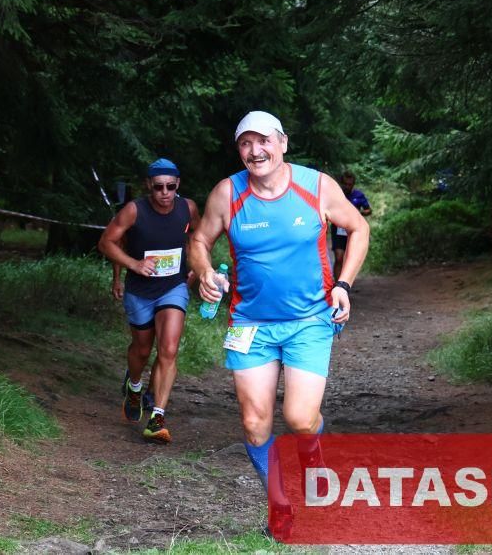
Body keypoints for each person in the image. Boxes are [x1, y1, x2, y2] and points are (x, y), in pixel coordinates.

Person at [189, 111, 369, 535]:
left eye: (264, 141)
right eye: (246, 143)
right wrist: (205, 272)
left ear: (283, 143)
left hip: (310, 319)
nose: (255, 151)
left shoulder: (316, 186)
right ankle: (280, 506)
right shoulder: (227, 193)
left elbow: (358, 228)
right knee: (255, 424)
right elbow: (199, 240)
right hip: (249, 323)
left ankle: (312, 451)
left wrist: (344, 285)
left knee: (301, 418)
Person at [98, 158, 201, 443]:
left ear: (177, 185)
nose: (165, 193)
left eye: (170, 187)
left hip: (173, 287)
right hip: (140, 290)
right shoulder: (134, 210)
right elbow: (106, 242)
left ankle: (157, 417)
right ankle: (134, 386)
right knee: (142, 350)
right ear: (148, 186)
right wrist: (133, 265)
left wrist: (197, 265)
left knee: (168, 348)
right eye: (158, 187)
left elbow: (199, 236)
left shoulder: (188, 208)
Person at [330, 171, 371, 275]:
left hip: (353, 230)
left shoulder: (359, 195)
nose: (348, 187)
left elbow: (368, 210)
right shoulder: (336, 194)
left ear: (353, 184)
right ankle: (337, 282)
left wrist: (359, 213)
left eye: (350, 184)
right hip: (338, 230)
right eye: (345, 184)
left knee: (350, 259)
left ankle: (345, 282)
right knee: (339, 257)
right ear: (342, 183)